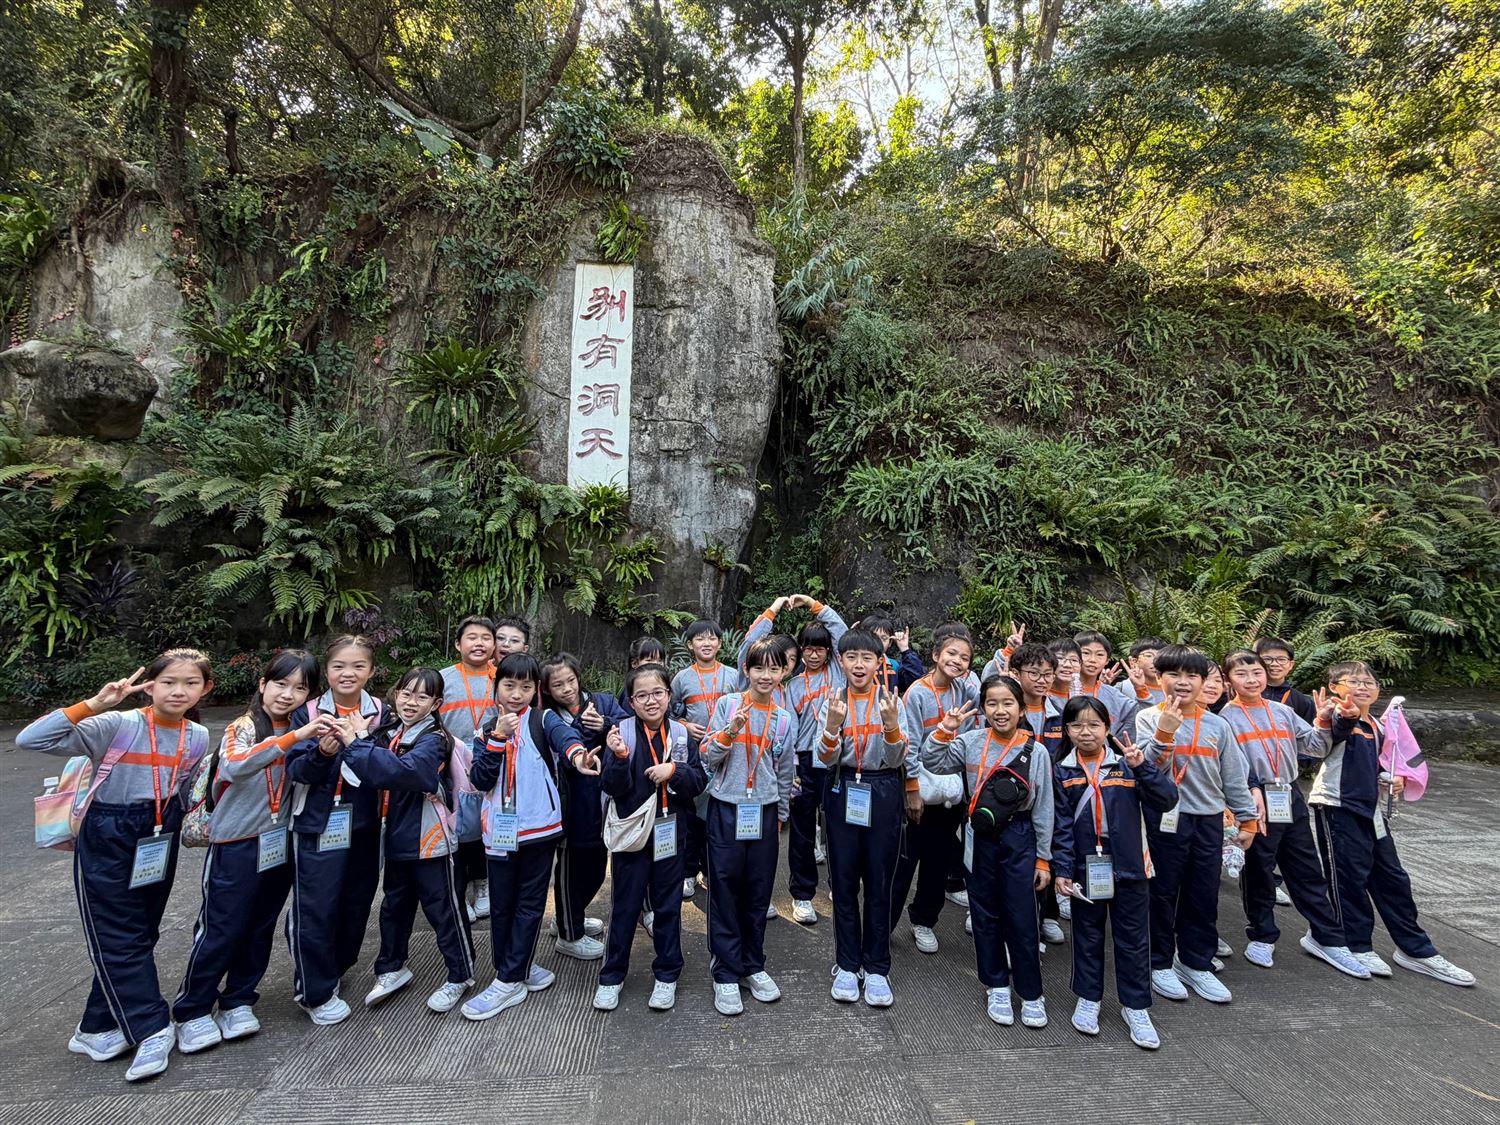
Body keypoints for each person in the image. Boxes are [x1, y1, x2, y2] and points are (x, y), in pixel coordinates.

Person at [19, 650, 214, 1082]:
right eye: (168, 682)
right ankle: (152, 1027)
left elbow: (184, 787)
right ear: (150, 685)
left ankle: (95, 1028)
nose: (179, 691)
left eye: (191, 683)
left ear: (206, 689)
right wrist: (95, 703)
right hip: (108, 829)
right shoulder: (117, 724)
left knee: (140, 931)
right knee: (117, 933)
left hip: (159, 831)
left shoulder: (198, 735)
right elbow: (31, 740)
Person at [173, 650, 330, 1054]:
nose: (287, 694)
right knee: (221, 926)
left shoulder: (301, 727)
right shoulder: (244, 726)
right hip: (236, 843)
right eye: (280, 684)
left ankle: (239, 999)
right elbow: (234, 765)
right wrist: (293, 738)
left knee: (261, 925)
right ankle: (192, 1009)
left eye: (299, 688)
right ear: (262, 684)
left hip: (279, 842)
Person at [1309, 662, 1475, 986]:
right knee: (1349, 878)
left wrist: (1393, 780)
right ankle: (1353, 943)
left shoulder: (1379, 725)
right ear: (1335, 688)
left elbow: (1378, 765)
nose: (1362, 687)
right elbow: (1332, 734)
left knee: (1393, 878)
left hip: (1372, 811)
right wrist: (1340, 716)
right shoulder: (1338, 717)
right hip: (1338, 806)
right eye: (1353, 681)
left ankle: (1415, 949)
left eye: (1369, 682)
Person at [923, 674, 1066, 1029]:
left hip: (1020, 835)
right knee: (984, 913)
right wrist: (945, 729)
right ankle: (997, 985)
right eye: (992, 703)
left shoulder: (1037, 752)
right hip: (980, 834)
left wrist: (1044, 858)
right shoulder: (970, 741)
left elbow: (1044, 808)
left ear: (1021, 709)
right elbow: (933, 761)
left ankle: (1031, 992)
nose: (1000, 711)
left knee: (1022, 915)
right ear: (983, 709)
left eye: (1007, 703)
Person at [461, 654, 599, 1020]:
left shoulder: (543, 719)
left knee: (530, 903)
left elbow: (566, 738)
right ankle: (514, 967)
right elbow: (481, 779)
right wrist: (497, 738)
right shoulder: (485, 730)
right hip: (499, 833)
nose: (516, 694)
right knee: (502, 904)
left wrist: (579, 756)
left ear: (536, 689)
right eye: (509, 686)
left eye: (525, 687)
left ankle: (508, 978)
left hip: (540, 829)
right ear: (497, 688)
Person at [1218, 651, 1369, 978]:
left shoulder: (1282, 711)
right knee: (1259, 870)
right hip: (1256, 800)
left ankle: (1327, 937)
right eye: (1241, 674)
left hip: (1289, 794)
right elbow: (1230, 766)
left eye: (1256, 672)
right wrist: (1246, 796)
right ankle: (1262, 934)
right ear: (1228, 680)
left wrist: (1329, 721)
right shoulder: (1225, 718)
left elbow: (1316, 746)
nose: (1252, 680)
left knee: (1306, 867)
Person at [342, 668, 476, 1013]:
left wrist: (357, 744)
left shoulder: (434, 739)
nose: (411, 702)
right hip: (396, 837)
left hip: (431, 838)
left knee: (444, 909)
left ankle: (461, 974)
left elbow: (407, 772)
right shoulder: (390, 732)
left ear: (436, 703)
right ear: (396, 694)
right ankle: (391, 967)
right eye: (406, 693)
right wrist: (363, 743)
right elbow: (371, 768)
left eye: (422, 696)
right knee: (394, 907)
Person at [1135, 646, 1258, 1004]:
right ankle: (1159, 962)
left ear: (1204, 681)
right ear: (1160, 678)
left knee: (1203, 892)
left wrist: (1247, 819)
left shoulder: (1218, 725)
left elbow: (1233, 778)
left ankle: (1195, 962)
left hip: (1208, 819)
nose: (1183, 682)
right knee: (1162, 893)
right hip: (1163, 820)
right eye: (1174, 674)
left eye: (1192, 675)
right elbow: (1147, 772)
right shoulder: (1148, 718)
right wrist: (1164, 734)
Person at [1054, 697, 1176, 1049]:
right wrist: (1063, 869)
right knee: (1087, 934)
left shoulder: (1127, 764)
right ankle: (1088, 997)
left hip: (1131, 864)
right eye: (1077, 725)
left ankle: (1135, 1006)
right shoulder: (1062, 771)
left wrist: (1143, 767)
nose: (1086, 732)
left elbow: (1167, 799)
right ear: (1067, 730)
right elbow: (1061, 826)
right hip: (1086, 866)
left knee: (1133, 938)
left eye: (1094, 724)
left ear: (1107, 728)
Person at [282, 634, 385, 1026]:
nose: (348, 673)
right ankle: (314, 989)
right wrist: (322, 752)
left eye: (358, 666)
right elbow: (296, 770)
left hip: (365, 824)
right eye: (339, 665)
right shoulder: (307, 713)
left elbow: (385, 765)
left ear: (371, 671)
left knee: (356, 903)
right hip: (317, 822)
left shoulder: (381, 712)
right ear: (326, 671)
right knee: (316, 906)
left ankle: (336, 968)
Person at [595, 663, 707, 1011]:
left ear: (669, 696)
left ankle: (667, 974)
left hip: (671, 832)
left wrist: (674, 770)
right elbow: (611, 787)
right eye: (641, 695)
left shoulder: (682, 735)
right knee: (625, 906)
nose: (651, 700)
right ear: (631, 701)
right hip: (632, 835)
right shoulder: (622, 733)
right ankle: (612, 976)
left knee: (668, 906)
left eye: (658, 692)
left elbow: (698, 782)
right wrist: (618, 757)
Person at [701, 641, 797, 1015]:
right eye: (759, 668)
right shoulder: (728, 705)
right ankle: (725, 972)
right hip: (726, 808)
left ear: (784, 672)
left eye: (774, 669)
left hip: (764, 812)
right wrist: (730, 731)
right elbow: (707, 756)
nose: (765, 676)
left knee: (758, 891)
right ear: (746, 669)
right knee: (725, 889)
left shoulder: (784, 719)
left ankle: (752, 965)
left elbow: (785, 771)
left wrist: (782, 813)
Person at [816, 630, 911, 1007]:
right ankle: (847, 963)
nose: (859, 665)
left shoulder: (891, 701)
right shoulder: (832, 700)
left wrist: (891, 724)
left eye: (866, 658)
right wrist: (832, 727)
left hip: (883, 788)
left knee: (879, 880)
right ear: (840, 661)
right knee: (842, 881)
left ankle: (876, 967)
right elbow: (825, 758)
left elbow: (897, 759)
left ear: (879, 663)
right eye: (851, 657)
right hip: (842, 788)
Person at [891, 625, 978, 955]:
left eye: (964, 657)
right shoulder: (917, 693)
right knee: (904, 862)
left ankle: (923, 920)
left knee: (938, 862)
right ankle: (883, 925)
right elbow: (909, 745)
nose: (957, 661)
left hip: (952, 793)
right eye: (951, 653)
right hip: (922, 792)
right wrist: (911, 789)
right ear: (936, 655)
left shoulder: (964, 691)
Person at [541, 653, 625, 959]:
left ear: (579, 677)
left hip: (601, 803)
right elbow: (561, 745)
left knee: (596, 870)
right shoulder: (548, 717)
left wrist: (605, 724)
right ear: (547, 689)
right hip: (570, 805)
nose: (567, 689)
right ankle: (569, 933)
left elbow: (629, 727)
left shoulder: (602, 702)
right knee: (570, 871)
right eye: (558, 685)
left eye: (571, 680)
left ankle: (568, 916)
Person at [784, 596, 850, 924]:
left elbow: (841, 631)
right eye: (808, 649)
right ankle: (802, 894)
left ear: (829, 652)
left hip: (837, 758)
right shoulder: (793, 686)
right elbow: (789, 731)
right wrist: (792, 770)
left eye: (820, 649)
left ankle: (841, 884)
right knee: (802, 830)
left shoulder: (839, 672)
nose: (813, 655)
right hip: (806, 762)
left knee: (839, 827)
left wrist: (813, 604)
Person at [671, 619, 741, 902]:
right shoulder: (681, 679)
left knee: (718, 815)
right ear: (690, 645)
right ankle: (688, 871)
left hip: (726, 754)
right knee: (692, 816)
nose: (707, 643)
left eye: (712, 638)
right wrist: (685, 726)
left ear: (720, 644)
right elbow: (669, 712)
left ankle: (711, 872)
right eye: (700, 639)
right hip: (695, 755)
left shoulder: (733, 676)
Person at [442, 616, 498, 923]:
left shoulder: (502, 678)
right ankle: (459, 889)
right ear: (457, 644)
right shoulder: (443, 679)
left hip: (490, 763)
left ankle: (483, 883)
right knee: (455, 826)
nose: (479, 643)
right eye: (472, 637)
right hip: (452, 765)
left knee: (484, 824)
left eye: (486, 638)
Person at [1253, 637, 1317, 723]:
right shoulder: (1243, 694)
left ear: (1291, 665)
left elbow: (1310, 731)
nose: (1275, 664)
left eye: (1281, 659)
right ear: (1255, 661)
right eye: (1267, 659)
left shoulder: (1303, 702)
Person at [860, 613, 925, 693]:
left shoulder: (893, 666)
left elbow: (915, 682)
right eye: (873, 637)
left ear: (890, 642)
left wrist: (905, 649)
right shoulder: (854, 664)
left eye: (883, 638)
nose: (878, 642)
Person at [1124, 638, 1167, 707]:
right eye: (1149, 656)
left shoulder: (1174, 688)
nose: (1156, 661)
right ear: (1134, 661)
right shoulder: (1123, 688)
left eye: (1161, 656)